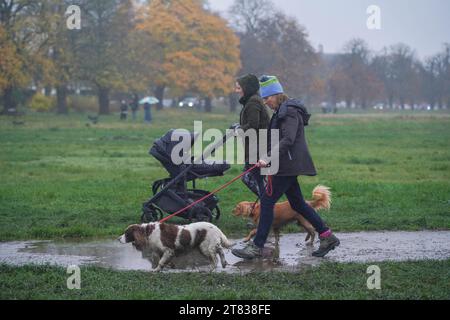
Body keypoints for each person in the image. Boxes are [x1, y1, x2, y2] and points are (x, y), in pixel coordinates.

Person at [232, 75, 340, 259]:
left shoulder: (289, 112)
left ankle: (257, 246)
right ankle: (327, 236)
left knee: (266, 201)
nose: (265, 102)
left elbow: (288, 140)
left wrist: (267, 157)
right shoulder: (282, 110)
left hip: (286, 165)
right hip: (285, 163)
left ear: (276, 94)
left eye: (267, 98)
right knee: (297, 203)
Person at [235, 74, 270, 198]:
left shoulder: (253, 102)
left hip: (258, 149)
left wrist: (237, 131)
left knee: (252, 178)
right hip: (256, 148)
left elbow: (253, 125)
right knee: (253, 178)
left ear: (247, 88)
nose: (236, 91)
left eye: (239, 88)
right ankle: (267, 205)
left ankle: (267, 204)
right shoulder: (252, 100)